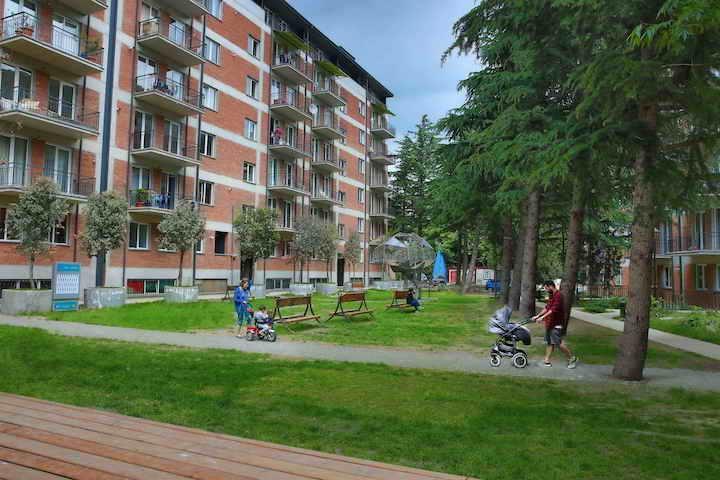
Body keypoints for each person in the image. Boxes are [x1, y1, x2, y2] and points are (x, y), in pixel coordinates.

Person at [532, 280, 578, 368]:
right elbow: (547, 308)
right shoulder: (552, 296)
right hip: (550, 324)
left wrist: (542, 318)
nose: (545, 290)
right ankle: (546, 360)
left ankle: (572, 358)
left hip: (556, 324)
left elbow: (553, 310)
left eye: (546, 288)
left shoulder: (559, 295)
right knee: (550, 343)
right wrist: (537, 316)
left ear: (550, 286)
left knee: (558, 343)